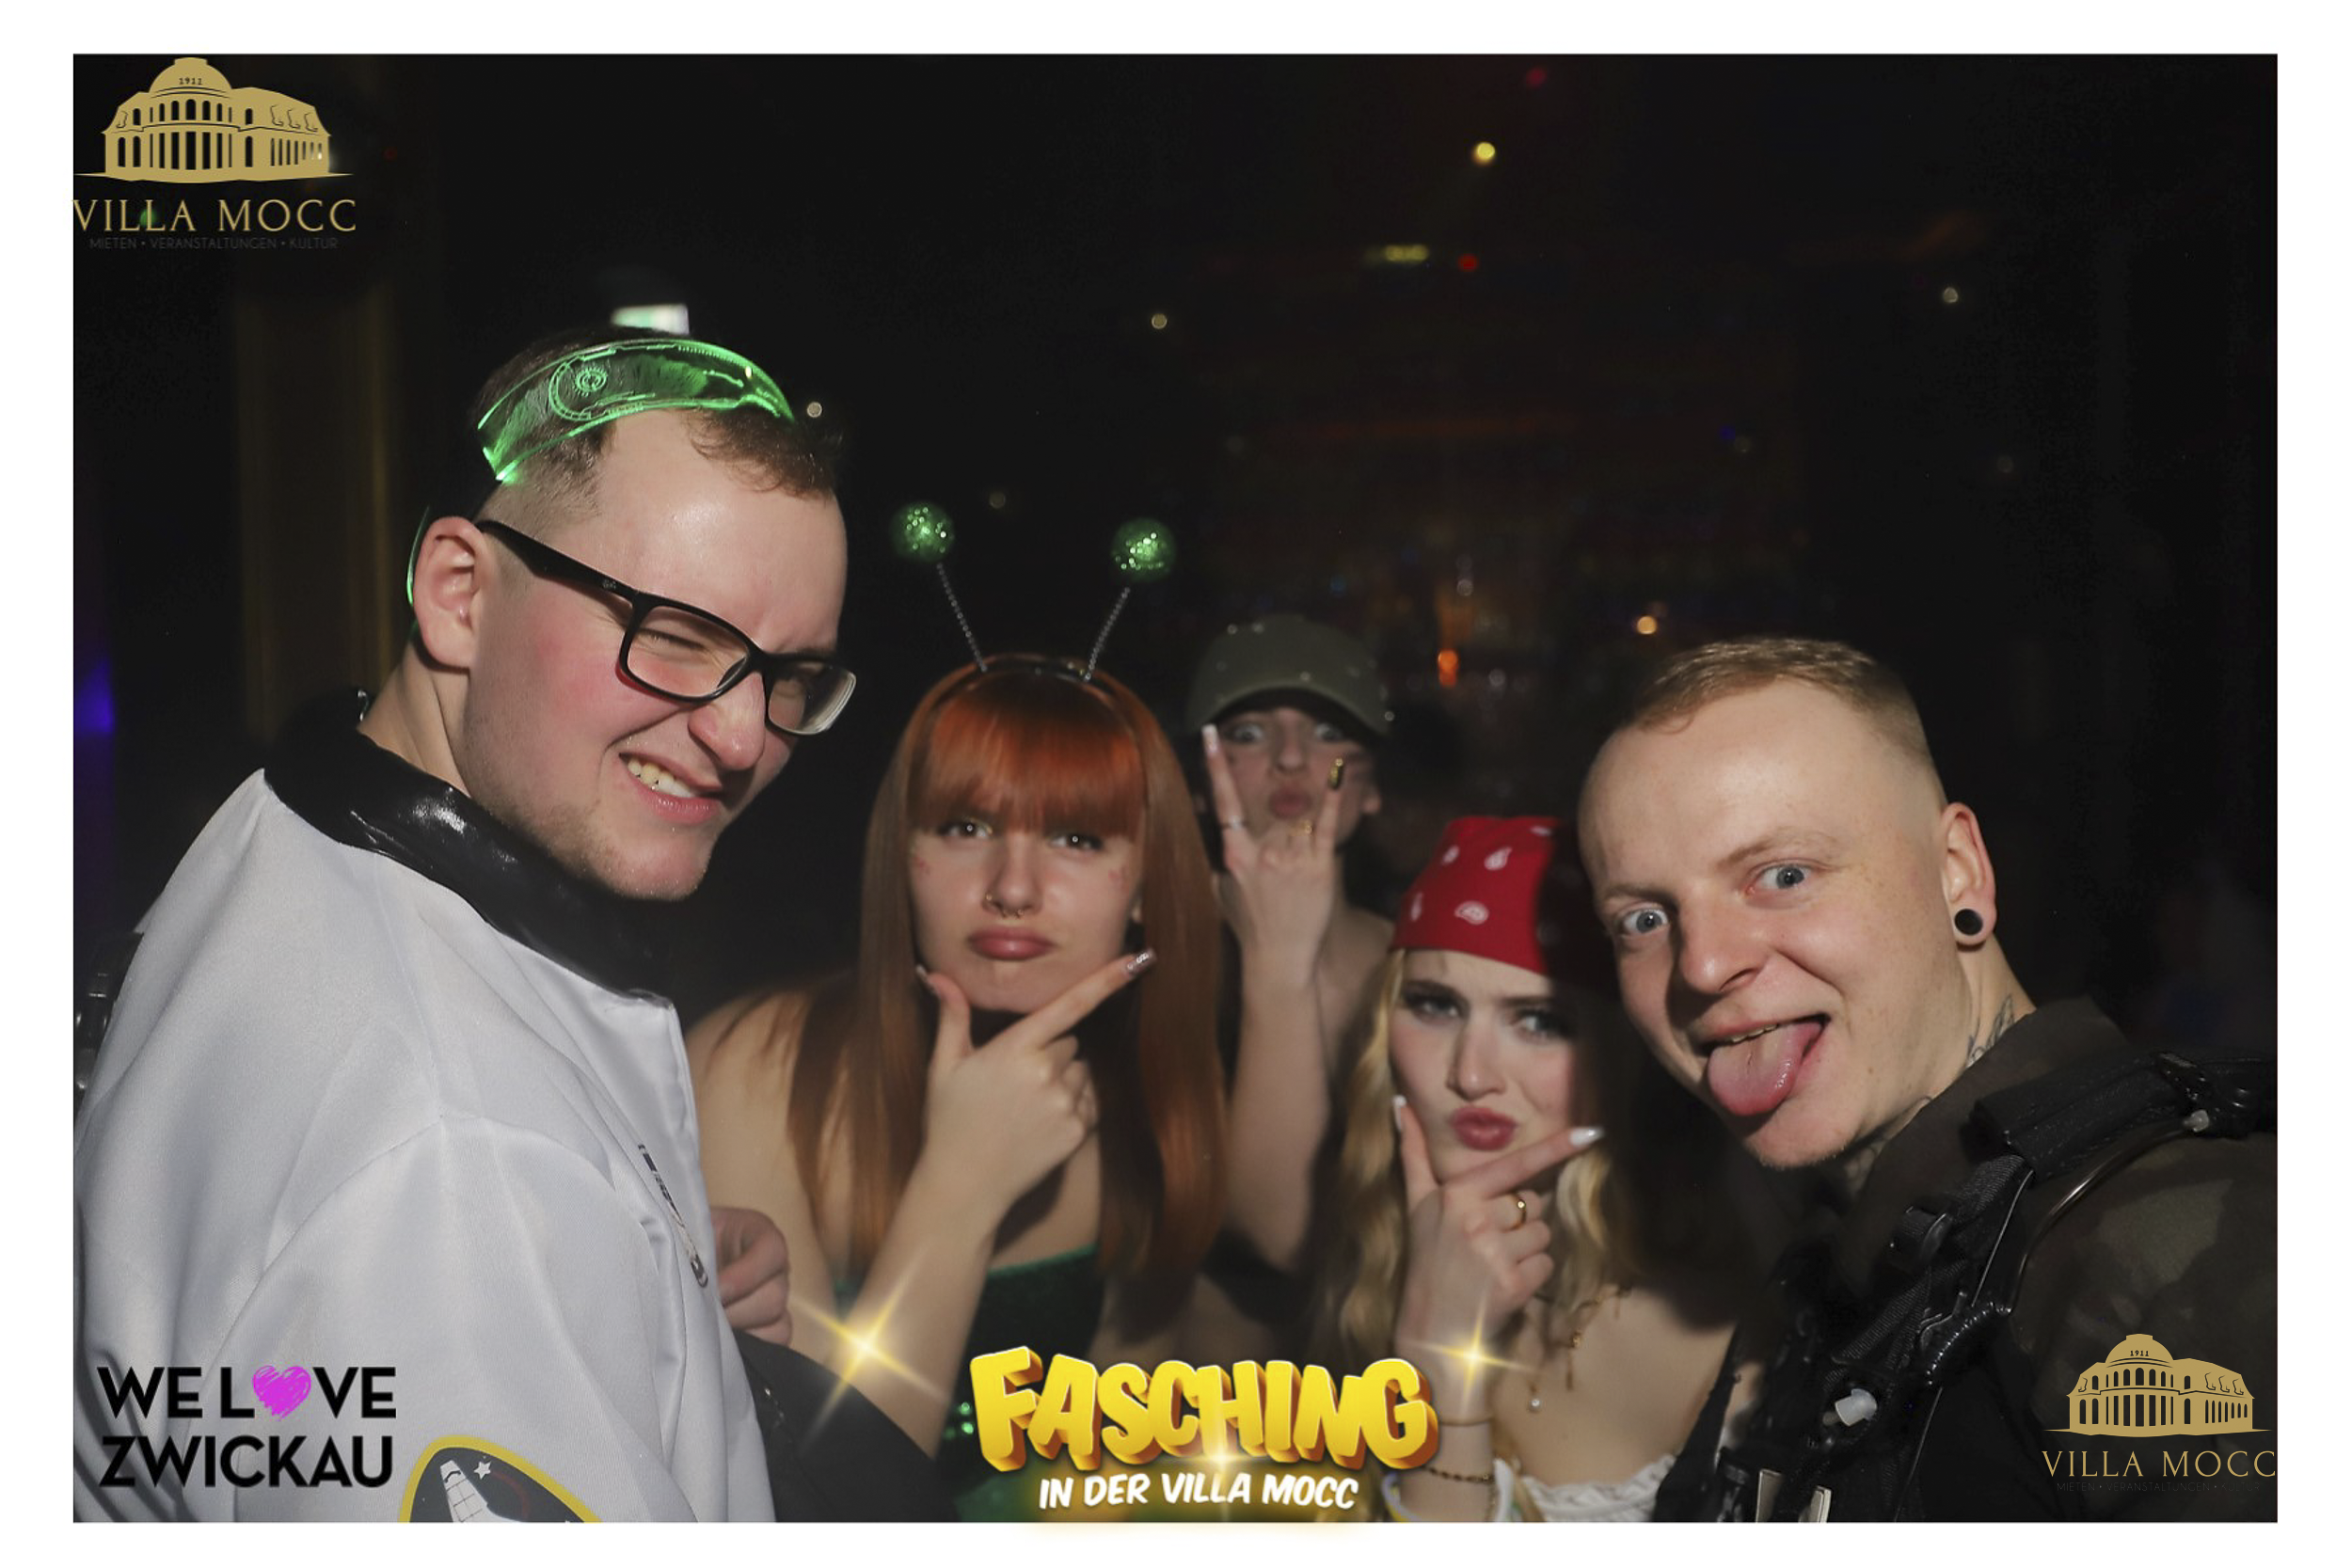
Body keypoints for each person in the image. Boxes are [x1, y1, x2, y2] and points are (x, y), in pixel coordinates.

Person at [75, 328, 860, 1520]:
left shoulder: (298, 818)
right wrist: (521, 1233)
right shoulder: (457, 1167)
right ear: (459, 594)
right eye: (674, 635)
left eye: (788, 673)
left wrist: (642, 1270)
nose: (744, 735)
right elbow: (434, 1188)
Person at [1576, 636, 2276, 1521]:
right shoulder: (1871, 1253)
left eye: (1783, 874)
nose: (1703, 964)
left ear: (1958, 873)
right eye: (1643, 918)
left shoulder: (2169, 1247)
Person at [687, 656, 1227, 1516]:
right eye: (966, 827)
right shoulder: (758, 1071)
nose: (1012, 888)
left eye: (1076, 838)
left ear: (1146, 880)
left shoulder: (1150, 1086)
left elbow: (1115, 1460)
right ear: (902, 853)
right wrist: (961, 1187)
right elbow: (820, 1513)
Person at [1311, 816, 1764, 1522]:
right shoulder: (1369, 1265)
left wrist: (1443, 1371)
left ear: (1619, 1052)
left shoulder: (1719, 1335)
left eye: (1539, 1021)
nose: (1471, 1074)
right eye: (1435, 1006)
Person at [1183, 615, 1394, 1360]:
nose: (1293, 759)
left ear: (1372, 785)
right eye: (1248, 733)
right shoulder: (1143, 947)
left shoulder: (1417, 961)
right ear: (1200, 782)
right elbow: (1277, 1233)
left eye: (1329, 732)